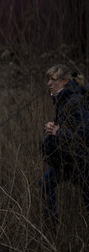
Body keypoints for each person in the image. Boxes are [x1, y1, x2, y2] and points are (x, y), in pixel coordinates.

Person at [39, 64, 89, 225]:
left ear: (65, 81)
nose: (49, 84)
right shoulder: (62, 99)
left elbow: (83, 135)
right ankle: (52, 229)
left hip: (80, 162)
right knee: (45, 184)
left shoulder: (75, 101)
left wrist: (58, 132)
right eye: (49, 80)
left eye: (53, 80)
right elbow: (67, 126)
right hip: (66, 160)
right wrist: (53, 127)